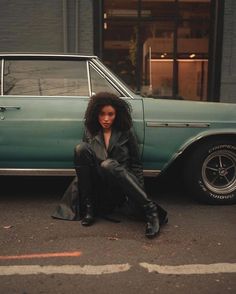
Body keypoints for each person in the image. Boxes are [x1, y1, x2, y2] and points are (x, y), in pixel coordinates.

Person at [52, 92, 168, 238]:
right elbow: (85, 165)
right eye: (102, 114)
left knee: (108, 164)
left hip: (119, 184)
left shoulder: (126, 131)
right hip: (99, 186)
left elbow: (136, 164)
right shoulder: (90, 131)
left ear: (117, 114)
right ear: (95, 114)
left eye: (110, 114)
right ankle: (89, 208)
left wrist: (138, 194)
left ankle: (150, 210)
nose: (106, 119)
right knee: (80, 149)